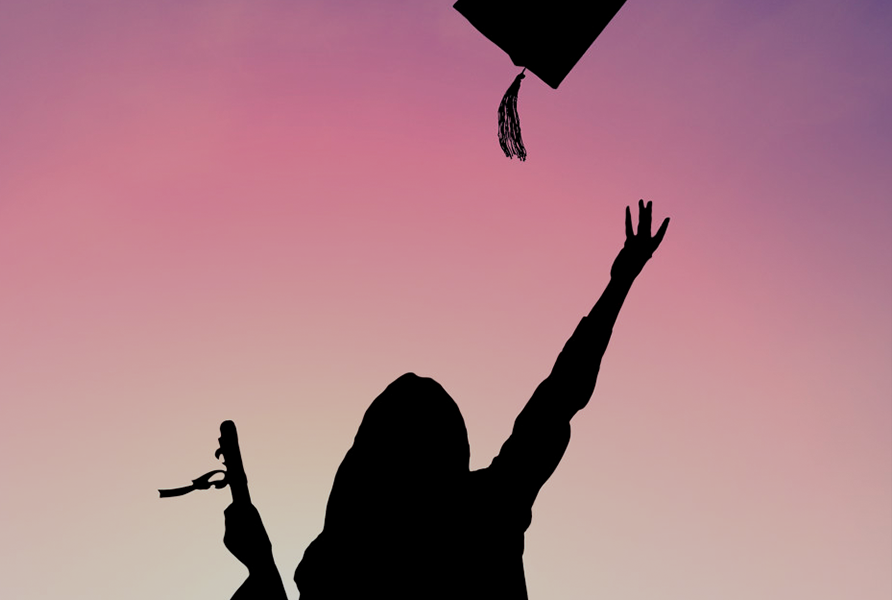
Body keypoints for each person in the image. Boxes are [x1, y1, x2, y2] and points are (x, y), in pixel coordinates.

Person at [222, 201, 669, 600]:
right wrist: (619, 284)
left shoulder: (350, 552)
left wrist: (260, 563)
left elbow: (558, 398)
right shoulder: (484, 510)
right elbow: (558, 398)